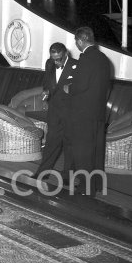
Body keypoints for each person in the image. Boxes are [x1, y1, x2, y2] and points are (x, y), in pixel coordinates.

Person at [64, 27, 111, 196]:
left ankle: (86, 189)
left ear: (80, 41)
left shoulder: (85, 59)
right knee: (96, 152)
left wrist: (68, 87)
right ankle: (97, 184)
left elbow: (80, 85)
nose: (76, 44)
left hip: (82, 114)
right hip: (98, 113)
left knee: (83, 152)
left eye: (76, 41)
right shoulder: (104, 59)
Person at [33, 43, 78, 180]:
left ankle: (67, 177)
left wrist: (71, 90)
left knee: (70, 145)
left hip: (71, 112)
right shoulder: (49, 63)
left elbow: (83, 89)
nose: (56, 62)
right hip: (54, 112)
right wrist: (46, 91)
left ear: (66, 54)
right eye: (54, 58)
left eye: (59, 58)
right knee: (51, 143)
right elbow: (47, 82)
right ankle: (42, 173)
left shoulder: (77, 65)